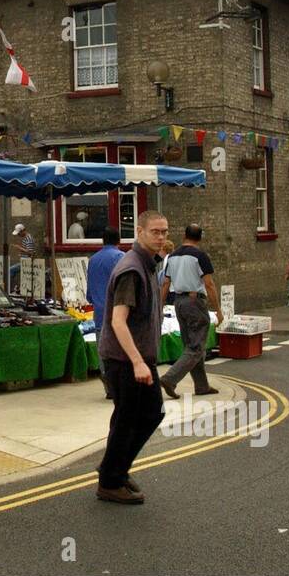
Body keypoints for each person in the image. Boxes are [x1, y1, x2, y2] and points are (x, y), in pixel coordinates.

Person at [95, 210, 169, 505]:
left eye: (164, 231)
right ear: (139, 232)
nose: (161, 237)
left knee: (134, 416)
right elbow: (117, 321)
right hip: (126, 360)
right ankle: (110, 481)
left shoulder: (147, 264)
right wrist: (138, 361)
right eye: (155, 231)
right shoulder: (132, 269)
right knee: (138, 416)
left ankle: (116, 468)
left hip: (135, 358)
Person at [158, 224, 222, 399]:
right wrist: (218, 310)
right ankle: (170, 379)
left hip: (178, 302)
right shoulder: (200, 256)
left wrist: (160, 306)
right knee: (196, 347)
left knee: (191, 346)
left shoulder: (173, 256)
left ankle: (201, 386)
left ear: (185, 235)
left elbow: (165, 283)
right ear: (199, 237)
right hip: (195, 302)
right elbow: (209, 284)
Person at [85, 227, 124, 399]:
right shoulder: (120, 257)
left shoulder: (93, 259)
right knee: (119, 350)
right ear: (119, 241)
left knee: (104, 350)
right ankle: (118, 385)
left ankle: (108, 384)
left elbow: (89, 293)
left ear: (102, 240)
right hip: (117, 311)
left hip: (99, 312)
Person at [10, 223, 36, 294]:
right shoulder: (27, 238)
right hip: (25, 260)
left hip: (27, 262)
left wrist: (19, 248)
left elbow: (31, 252)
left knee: (10, 270)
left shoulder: (29, 239)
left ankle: (12, 289)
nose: (18, 235)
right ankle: (16, 288)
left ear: (22, 231)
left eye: (19, 233)